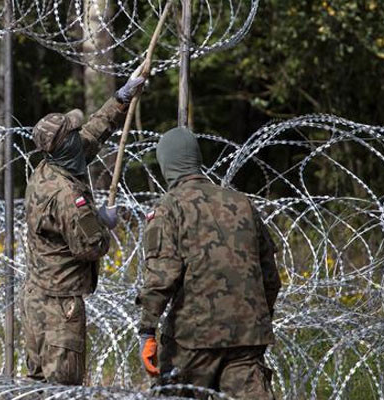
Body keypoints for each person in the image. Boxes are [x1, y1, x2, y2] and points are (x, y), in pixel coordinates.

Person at [137, 127, 281, 399]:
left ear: (166, 164)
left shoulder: (170, 208)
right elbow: (270, 277)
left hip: (193, 339)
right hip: (247, 336)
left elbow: (162, 277)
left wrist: (147, 330)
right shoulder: (242, 203)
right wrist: (256, 318)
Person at [23, 77, 145, 385]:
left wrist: (121, 98)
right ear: (67, 146)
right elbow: (91, 245)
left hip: (37, 296)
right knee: (63, 388)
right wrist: (103, 222)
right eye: (74, 134)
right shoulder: (66, 196)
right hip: (60, 306)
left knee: (37, 384)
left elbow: (92, 133)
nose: (80, 136)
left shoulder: (47, 170)